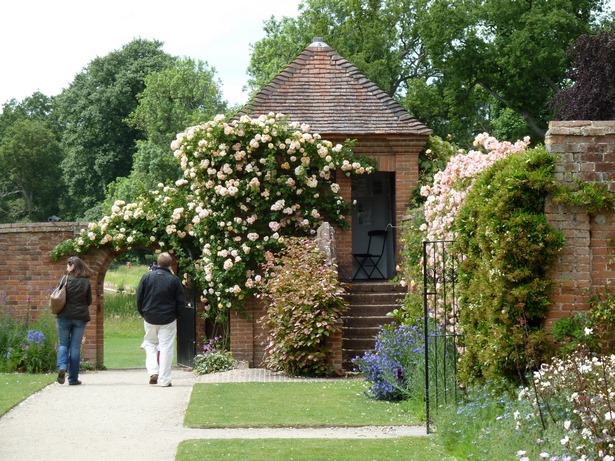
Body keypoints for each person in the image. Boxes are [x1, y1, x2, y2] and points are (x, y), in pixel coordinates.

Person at [136, 252, 184, 387]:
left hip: (150, 316)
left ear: (157, 262)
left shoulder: (146, 277)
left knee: (150, 343)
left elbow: (139, 298)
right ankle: (164, 380)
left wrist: (144, 313)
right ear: (169, 264)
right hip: (168, 318)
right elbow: (180, 302)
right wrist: (176, 316)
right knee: (166, 347)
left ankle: (153, 371)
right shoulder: (174, 280)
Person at [56, 256, 92, 386]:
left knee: (63, 344)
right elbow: (89, 301)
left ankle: (62, 366)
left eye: (68, 265)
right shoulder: (86, 282)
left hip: (64, 316)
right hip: (80, 317)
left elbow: (57, 296)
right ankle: (73, 379)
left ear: (72, 266)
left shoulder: (64, 279)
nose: (66, 267)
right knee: (75, 346)